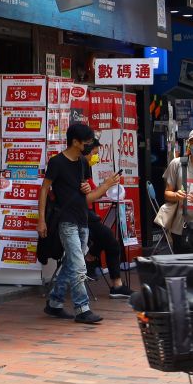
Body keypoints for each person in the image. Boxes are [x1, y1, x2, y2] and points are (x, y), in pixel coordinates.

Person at [38, 121, 123, 324]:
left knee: (71, 263)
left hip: (82, 218)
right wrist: (41, 219)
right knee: (78, 266)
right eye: (86, 142)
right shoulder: (57, 162)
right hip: (65, 220)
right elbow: (44, 190)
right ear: (75, 142)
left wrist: (88, 187)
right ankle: (82, 308)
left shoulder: (83, 164)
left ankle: (55, 302)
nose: (89, 146)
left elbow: (86, 193)